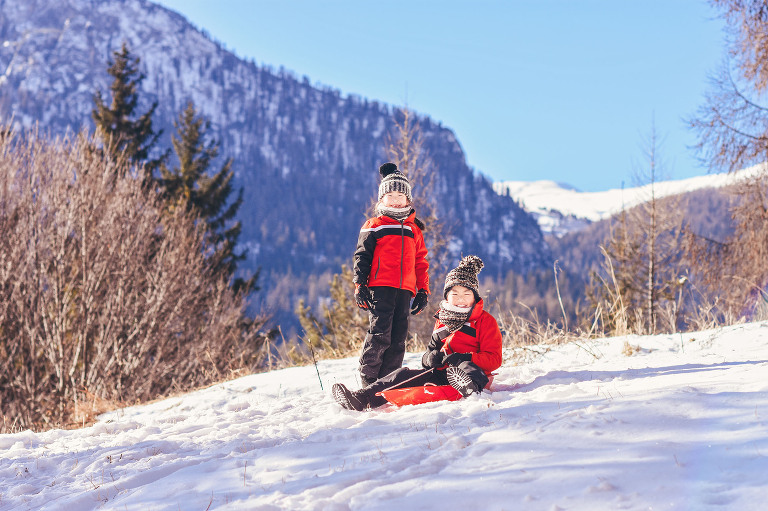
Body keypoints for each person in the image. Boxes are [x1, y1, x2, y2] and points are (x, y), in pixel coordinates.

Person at [334, 255, 502, 411]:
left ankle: (469, 387)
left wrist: (463, 358)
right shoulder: (442, 320)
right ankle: (361, 399)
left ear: (475, 296)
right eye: (455, 294)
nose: (461, 299)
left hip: (473, 373)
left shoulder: (485, 321)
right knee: (402, 374)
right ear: (447, 296)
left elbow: (494, 359)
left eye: (467, 293)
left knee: (467, 367)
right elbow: (429, 353)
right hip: (444, 373)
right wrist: (430, 358)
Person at [352, 162, 430, 386]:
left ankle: (388, 381)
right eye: (390, 195)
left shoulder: (414, 229)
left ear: (408, 199)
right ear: (381, 198)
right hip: (380, 288)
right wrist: (360, 285)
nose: (395, 199)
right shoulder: (374, 225)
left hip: (405, 291)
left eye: (400, 195)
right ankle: (369, 379)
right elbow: (362, 257)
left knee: (398, 338)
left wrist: (423, 290)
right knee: (380, 333)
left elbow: (421, 261)